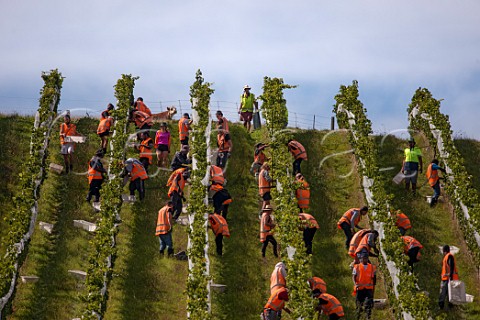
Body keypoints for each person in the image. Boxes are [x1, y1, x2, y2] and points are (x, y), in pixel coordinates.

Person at [352, 253, 376, 320]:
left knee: (368, 304)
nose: (364, 259)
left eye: (365, 258)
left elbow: (374, 279)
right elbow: (354, 276)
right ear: (361, 259)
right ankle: (358, 317)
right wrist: (355, 284)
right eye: (363, 258)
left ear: (367, 258)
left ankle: (368, 317)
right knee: (358, 304)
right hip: (359, 288)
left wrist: (373, 289)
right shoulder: (356, 267)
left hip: (368, 289)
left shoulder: (372, 267)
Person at [439, 245, 459, 310]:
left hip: (448, 278)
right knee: (449, 293)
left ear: (444, 251)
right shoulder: (448, 256)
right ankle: (450, 307)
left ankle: (441, 306)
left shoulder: (449, 256)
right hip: (448, 278)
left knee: (443, 292)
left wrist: (449, 275)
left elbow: (451, 266)